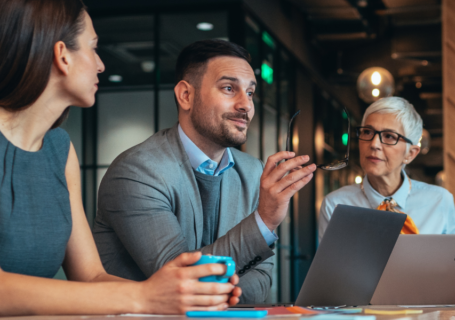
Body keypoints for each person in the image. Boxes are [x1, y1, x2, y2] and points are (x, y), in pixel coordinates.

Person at [0, 0, 240, 319]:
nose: (101, 64)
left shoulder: (60, 149)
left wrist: (182, 292)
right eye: (92, 47)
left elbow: (91, 277)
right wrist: (145, 295)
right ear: (63, 55)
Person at [92, 39, 315, 304]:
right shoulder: (137, 171)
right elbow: (183, 280)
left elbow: (262, 278)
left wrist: (215, 294)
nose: (246, 105)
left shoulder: (254, 171)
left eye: (251, 93)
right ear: (186, 95)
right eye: (229, 88)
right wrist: (264, 221)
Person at [318, 97, 455, 240]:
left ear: (410, 153)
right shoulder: (335, 205)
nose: (374, 144)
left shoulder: (440, 201)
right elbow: (329, 263)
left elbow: (451, 261)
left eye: (389, 136)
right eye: (367, 132)